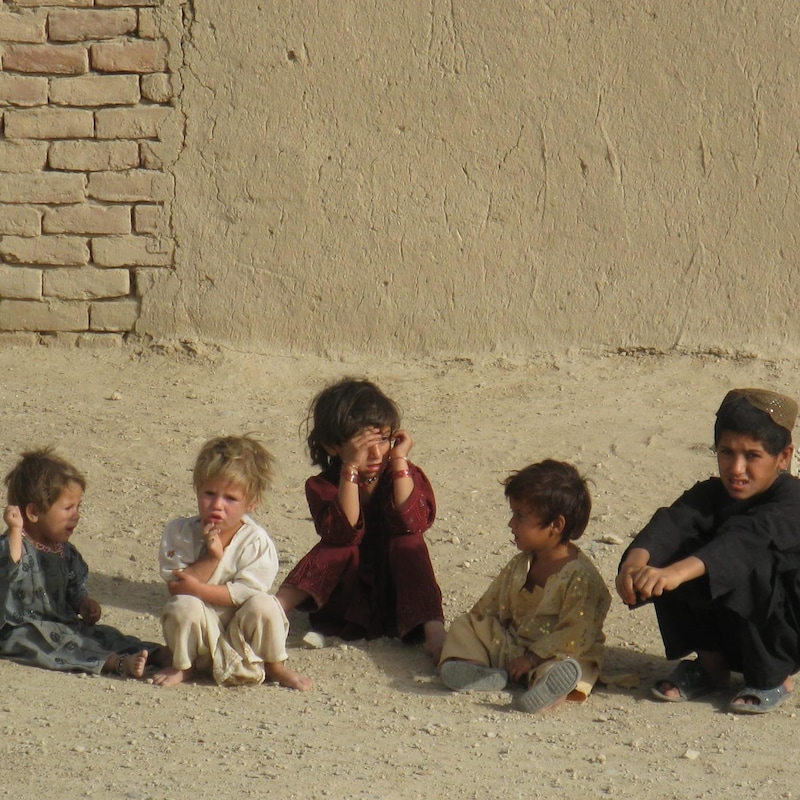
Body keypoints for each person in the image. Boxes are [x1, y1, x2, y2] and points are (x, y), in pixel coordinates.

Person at [616, 388, 800, 714]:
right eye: (727, 452)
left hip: (784, 632)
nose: (737, 468)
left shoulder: (792, 500)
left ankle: (773, 678)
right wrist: (635, 563)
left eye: (752, 456)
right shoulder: (713, 493)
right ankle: (712, 665)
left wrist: (673, 573)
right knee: (671, 551)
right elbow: (672, 523)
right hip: (736, 628)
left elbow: (743, 541)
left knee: (751, 563)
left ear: (783, 457)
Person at [276, 378, 446, 661]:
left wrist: (400, 462)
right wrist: (351, 470)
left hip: (397, 590)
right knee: (336, 547)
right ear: (332, 446)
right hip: (346, 591)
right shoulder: (323, 485)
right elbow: (344, 532)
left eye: (383, 440)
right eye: (362, 444)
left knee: (409, 543)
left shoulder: (399, 472)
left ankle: (434, 632)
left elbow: (413, 523)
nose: (377, 452)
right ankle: (272, 610)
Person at [439, 460, 610, 713]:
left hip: (558, 652)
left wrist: (532, 658)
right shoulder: (522, 563)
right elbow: (490, 607)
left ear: (556, 525)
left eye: (519, 516)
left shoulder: (580, 577)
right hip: (516, 645)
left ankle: (548, 689)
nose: (511, 524)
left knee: (571, 667)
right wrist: (479, 635)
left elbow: (575, 633)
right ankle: (477, 670)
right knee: (466, 626)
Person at [154, 434, 311, 690]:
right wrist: (212, 556)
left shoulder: (256, 542)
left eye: (230, 498)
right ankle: (184, 665)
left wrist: (198, 589)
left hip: (243, 635)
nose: (217, 505)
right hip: (202, 632)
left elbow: (244, 593)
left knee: (267, 605)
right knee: (183, 606)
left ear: (252, 502)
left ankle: (274, 666)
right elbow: (177, 586)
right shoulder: (180, 532)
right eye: (209, 493)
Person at [1, 448, 159, 678]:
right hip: (21, 629)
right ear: (33, 512)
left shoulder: (65, 551)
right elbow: (11, 566)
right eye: (67, 508)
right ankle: (116, 663)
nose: (76, 515)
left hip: (62, 624)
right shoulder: (15, 544)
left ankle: (155, 653)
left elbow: (74, 586)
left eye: (78, 507)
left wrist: (82, 602)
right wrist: (15, 529)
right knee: (48, 645)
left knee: (99, 635)